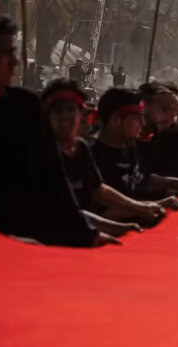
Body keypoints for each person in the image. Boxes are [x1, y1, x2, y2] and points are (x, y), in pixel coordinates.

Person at [0, 12, 103, 247]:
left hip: (30, 248)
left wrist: (87, 235)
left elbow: (54, 181)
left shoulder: (24, 107)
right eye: (7, 53)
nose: (15, 62)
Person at [43, 80, 162, 234]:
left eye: (71, 109)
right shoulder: (42, 153)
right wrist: (121, 226)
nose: (66, 116)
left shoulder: (82, 149)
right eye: (59, 110)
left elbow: (98, 190)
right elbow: (66, 214)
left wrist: (141, 207)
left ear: (81, 114)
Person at [90, 87, 178, 202]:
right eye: (137, 117)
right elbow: (105, 208)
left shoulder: (129, 144)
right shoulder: (93, 156)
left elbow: (144, 181)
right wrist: (152, 206)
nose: (143, 122)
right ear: (116, 120)